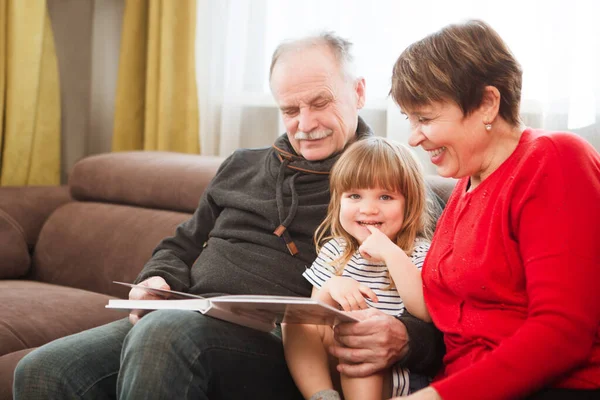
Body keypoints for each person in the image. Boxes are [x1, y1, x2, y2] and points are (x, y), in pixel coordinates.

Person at [13, 33, 442, 400]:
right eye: (290, 110)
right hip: (189, 315)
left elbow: (440, 302)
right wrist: (158, 278)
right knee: (41, 371)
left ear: (360, 92)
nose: (305, 123)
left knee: (164, 336)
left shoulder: (386, 186)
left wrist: (406, 341)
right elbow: (181, 243)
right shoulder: (242, 164)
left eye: (319, 103)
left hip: (285, 346)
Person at [385, 19, 600, 400]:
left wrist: (439, 397)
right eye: (410, 119)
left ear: (487, 104)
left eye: (426, 118)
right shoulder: (465, 186)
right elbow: (450, 318)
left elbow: (564, 330)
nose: (414, 137)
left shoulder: (553, 159)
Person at [283, 136, 434, 400]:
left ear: (410, 204)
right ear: (338, 201)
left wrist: (390, 252)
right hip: (336, 365)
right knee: (295, 319)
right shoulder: (335, 250)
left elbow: (424, 310)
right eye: (354, 195)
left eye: (385, 196)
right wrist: (331, 287)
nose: (368, 209)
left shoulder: (418, 251)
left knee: (359, 335)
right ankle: (321, 396)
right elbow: (313, 317)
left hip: (387, 373)